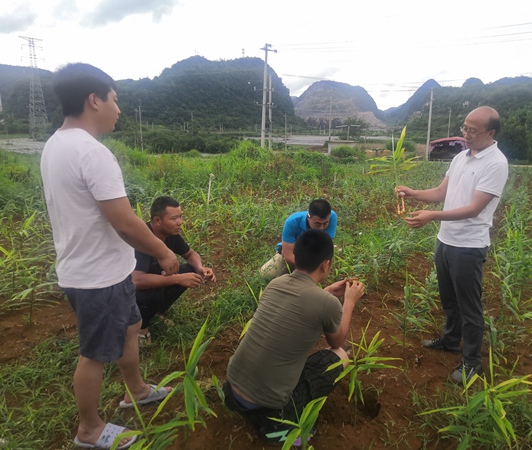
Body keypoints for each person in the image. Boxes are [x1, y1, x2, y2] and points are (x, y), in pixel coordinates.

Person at [40, 63, 179, 450]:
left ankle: (137, 390)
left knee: (131, 327)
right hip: (96, 276)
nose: (118, 109)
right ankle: (89, 429)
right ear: (94, 100)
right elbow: (124, 222)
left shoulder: (56, 144)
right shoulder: (92, 153)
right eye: (115, 100)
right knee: (95, 354)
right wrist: (163, 251)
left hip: (99, 268)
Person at [396, 106, 508, 384]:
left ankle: (472, 362)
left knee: (469, 307)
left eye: (473, 131)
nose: (466, 134)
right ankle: (450, 340)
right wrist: (413, 194)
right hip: (446, 240)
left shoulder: (495, 163)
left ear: (490, 133)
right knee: (449, 299)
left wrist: (432, 216)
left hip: (469, 246)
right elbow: (440, 192)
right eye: (464, 128)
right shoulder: (460, 157)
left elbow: (474, 209)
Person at [225, 229, 364, 444]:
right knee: (340, 356)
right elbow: (337, 341)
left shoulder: (276, 284)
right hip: (269, 407)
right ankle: (281, 428)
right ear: (326, 264)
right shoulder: (327, 304)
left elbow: (300, 303)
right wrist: (350, 302)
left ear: (295, 256)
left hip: (231, 391)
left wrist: (326, 291)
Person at [133, 196, 216, 344]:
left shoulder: (170, 235)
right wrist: (177, 279)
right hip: (126, 294)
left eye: (180, 216)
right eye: (174, 218)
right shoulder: (142, 239)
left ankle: (156, 313)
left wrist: (200, 268)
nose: (180, 222)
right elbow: (136, 281)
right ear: (157, 220)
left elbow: (191, 254)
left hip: (153, 281)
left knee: (190, 270)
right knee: (154, 292)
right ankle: (140, 328)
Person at [260, 199, 338, 279]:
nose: (321, 228)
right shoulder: (292, 222)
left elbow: (325, 246)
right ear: (308, 217)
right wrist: (309, 267)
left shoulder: (332, 217)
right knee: (266, 274)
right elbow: (288, 255)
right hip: (294, 252)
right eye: (317, 224)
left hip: (313, 253)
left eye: (325, 223)